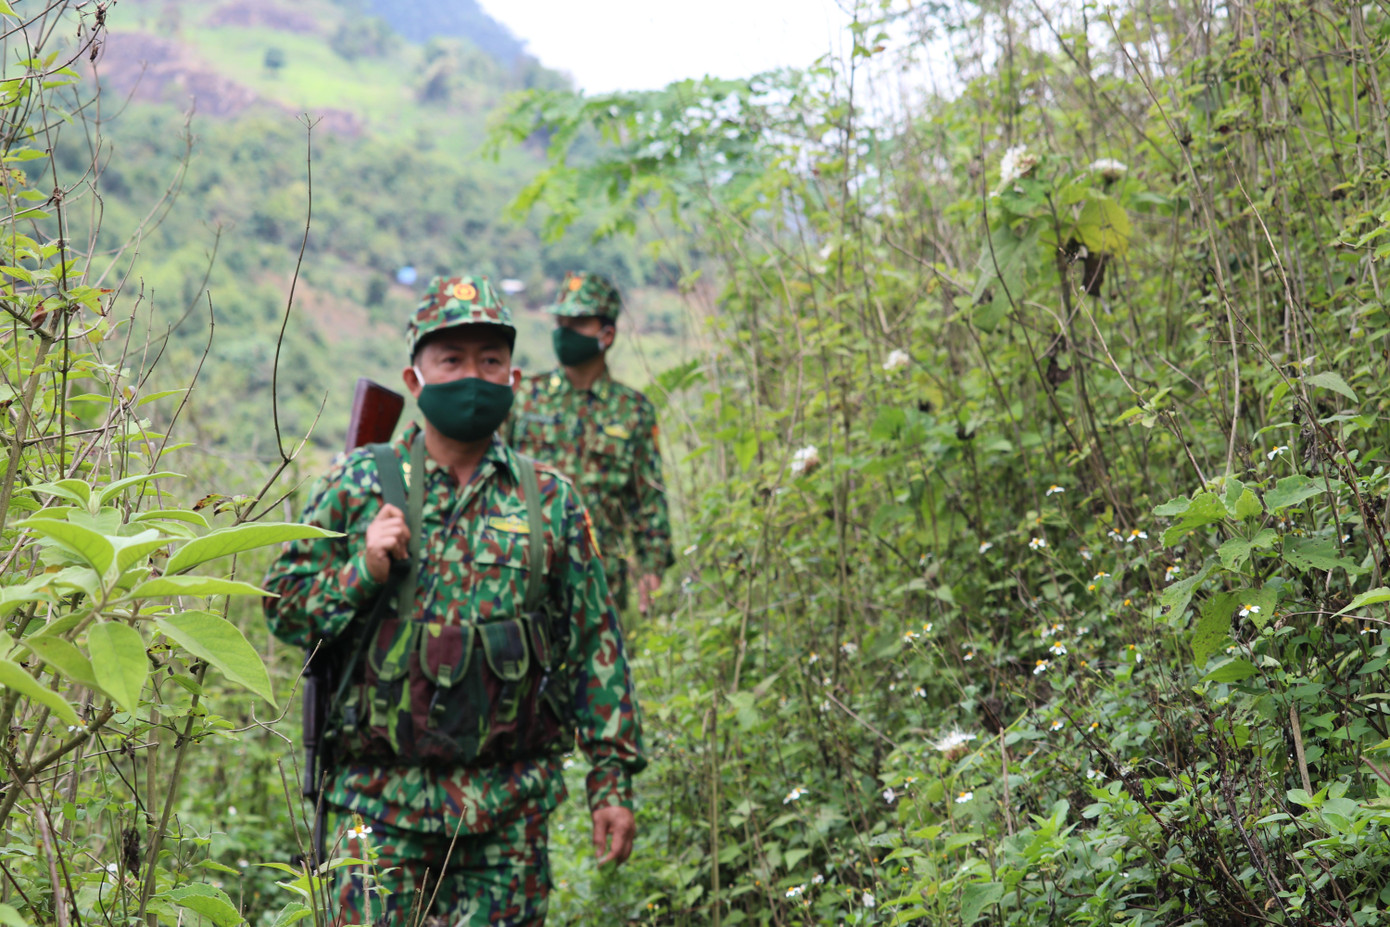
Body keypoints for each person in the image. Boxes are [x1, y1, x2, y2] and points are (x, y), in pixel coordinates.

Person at [263, 274, 646, 926]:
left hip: (509, 811)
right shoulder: (362, 482)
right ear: (415, 381)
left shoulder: (550, 500)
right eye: (452, 359)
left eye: (489, 360)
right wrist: (363, 568)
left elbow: (594, 648)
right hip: (377, 805)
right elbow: (285, 605)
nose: (472, 374)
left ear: (513, 378)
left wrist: (609, 781)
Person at [508, 271, 674, 614]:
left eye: (578, 322)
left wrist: (651, 572)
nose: (565, 331)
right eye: (561, 320)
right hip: (522, 575)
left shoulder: (632, 411)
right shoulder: (525, 399)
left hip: (600, 584)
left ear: (607, 334)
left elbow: (648, 502)